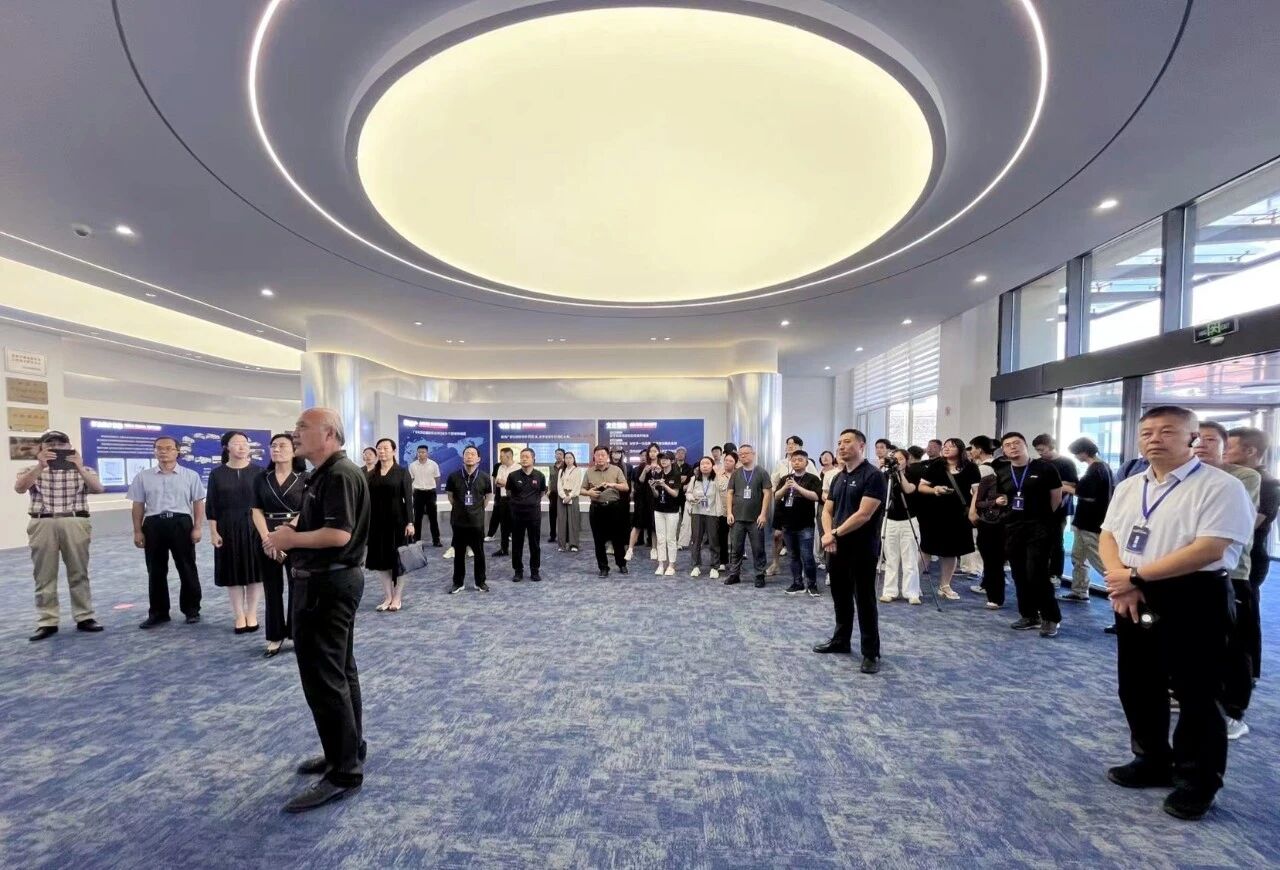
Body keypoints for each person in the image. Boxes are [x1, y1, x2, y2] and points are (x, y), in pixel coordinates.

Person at [1098, 405, 1254, 821]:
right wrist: (1122, 580)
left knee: (1196, 691)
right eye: (1147, 432)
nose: (1154, 439)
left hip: (1194, 594)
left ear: (1192, 438)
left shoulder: (1220, 486)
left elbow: (1210, 548)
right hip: (1133, 591)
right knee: (1137, 683)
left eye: (1167, 431)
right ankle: (1151, 759)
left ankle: (1198, 780)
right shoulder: (1130, 485)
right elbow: (1108, 535)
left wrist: (1136, 577)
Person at [265, 407, 369, 813]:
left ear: (328, 434)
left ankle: (344, 772)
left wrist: (290, 539)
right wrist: (293, 531)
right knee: (340, 671)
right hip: (329, 583)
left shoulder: (339, 473)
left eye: (302, 427)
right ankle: (348, 750)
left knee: (325, 678)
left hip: (327, 586)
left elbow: (338, 533)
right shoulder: (322, 474)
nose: (294, 433)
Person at [1196, 421, 1260, 741]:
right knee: (1197, 643)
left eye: (1210, 439)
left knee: (1235, 645)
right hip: (1189, 574)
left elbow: (1220, 523)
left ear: (1223, 446)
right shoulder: (1186, 477)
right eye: (1196, 439)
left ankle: (1235, 711)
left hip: (1231, 573)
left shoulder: (1242, 477)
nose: (1200, 444)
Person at [15, 429, 105, 641]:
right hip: (42, 521)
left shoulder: (84, 469)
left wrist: (79, 467)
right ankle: (47, 621)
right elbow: (19, 488)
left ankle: (84, 616)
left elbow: (98, 489)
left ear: (69, 446)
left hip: (74, 520)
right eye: (50, 445)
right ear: (42, 448)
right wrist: (40, 466)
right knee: (43, 574)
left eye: (61, 444)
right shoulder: (30, 469)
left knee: (79, 571)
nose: (56, 448)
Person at [814, 428, 885, 674]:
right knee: (840, 596)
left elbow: (864, 514)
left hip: (862, 548)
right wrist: (828, 534)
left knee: (864, 600)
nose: (842, 446)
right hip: (836, 547)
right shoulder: (838, 477)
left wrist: (834, 533)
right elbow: (827, 510)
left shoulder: (873, 476)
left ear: (861, 446)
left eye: (847, 442)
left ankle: (871, 652)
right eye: (839, 443)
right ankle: (841, 640)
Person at [129, 435, 205, 629]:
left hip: (181, 523)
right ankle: (159, 613)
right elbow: (138, 505)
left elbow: (198, 502)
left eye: (168, 448)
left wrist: (197, 527)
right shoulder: (143, 476)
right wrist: (137, 531)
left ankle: (191, 610)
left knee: (187, 567)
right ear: (154, 451)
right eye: (159, 448)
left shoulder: (190, 475)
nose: (163, 451)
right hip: (153, 524)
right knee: (155, 570)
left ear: (177, 451)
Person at [994, 432, 1063, 637]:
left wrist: (1044, 519)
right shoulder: (1003, 471)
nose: (1013, 447)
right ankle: (1029, 615)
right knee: (1019, 573)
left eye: (1017, 443)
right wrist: (1001, 503)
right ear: (1004, 451)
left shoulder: (1045, 468)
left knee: (1036, 572)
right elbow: (1004, 496)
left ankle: (1051, 617)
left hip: (1039, 527)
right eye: (1008, 445)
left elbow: (1056, 498)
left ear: (1025, 446)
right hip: (1013, 527)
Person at [1225, 426, 1277, 683]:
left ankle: (1246, 676)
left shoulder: (1267, 483)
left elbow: (1248, 523)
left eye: (1228, 447)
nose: (1223, 452)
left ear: (1250, 451)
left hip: (1250, 559)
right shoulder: (1228, 478)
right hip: (1229, 558)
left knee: (1243, 620)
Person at [251, 433, 306, 658]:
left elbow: (308, 509)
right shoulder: (261, 478)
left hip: (296, 533)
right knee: (271, 588)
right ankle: (275, 636)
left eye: (282, 445)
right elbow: (256, 509)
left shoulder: (305, 478)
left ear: (294, 451)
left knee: (298, 587)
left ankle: (297, 633)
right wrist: (268, 538)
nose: (276, 449)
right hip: (267, 534)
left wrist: (288, 531)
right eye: (273, 446)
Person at [207, 431, 263, 632]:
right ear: (226, 447)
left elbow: (264, 503)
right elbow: (212, 506)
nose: (242, 446)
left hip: (254, 527)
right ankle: (239, 615)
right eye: (236, 443)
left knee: (255, 572)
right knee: (233, 573)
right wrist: (213, 532)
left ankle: (252, 614)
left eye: (245, 443)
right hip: (227, 528)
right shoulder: (217, 474)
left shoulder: (259, 472)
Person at [916, 438, 980, 599]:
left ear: (960, 449)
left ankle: (945, 585)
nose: (946, 448)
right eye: (945, 446)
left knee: (951, 551)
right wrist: (935, 489)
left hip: (958, 514)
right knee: (926, 549)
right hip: (933, 514)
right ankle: (913, 585)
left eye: (951, 446)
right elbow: (921, 487)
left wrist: (973, 511)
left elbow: (977, 492)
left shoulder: (971, 467)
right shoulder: (936, 465)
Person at [1061, 437, 1113, 603]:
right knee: (1079, 558)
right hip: (1083, 521)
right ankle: (1079, 591)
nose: (1076, 457)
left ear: (1084, 452)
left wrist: (1065, 487)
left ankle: (1121, 587)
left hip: (1091, 522)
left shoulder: (1096, 469)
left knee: (1098, 559)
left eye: (1077, 453)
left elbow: (1088, 495)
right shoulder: (1102, 467)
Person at [364, 438, 413, 612]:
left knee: (398, 561)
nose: (382, 451)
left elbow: (408, 500)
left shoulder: (402, 472)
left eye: (385, 448)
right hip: (376, 523)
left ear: (393, 451)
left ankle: (397, 597)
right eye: (379, 448)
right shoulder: (372, 474)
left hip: (398, 522)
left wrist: (410, 522)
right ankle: (388, 597)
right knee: (381, 561)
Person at [1033, 434, 1079, 587]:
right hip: (1039, 508)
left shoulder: (1066, 463)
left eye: (1042, 450)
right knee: (1039, 541)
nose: (1040, 453)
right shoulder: (1038, 463)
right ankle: (1040, 572)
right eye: (1038, 450)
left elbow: (1072, 485)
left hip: (1060, 508)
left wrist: (1055, 485)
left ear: (1051, 446)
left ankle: (1055, 574)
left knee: (1056, 541)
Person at [774, 449, 823, 596]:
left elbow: (816, 496)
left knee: (807, 557)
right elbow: (776, 496)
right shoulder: (785, 479)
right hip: (788, 524)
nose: (796, 462)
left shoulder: (812, 479)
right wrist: (785, 487)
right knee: (793, 556)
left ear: (806, 463)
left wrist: (797, 487)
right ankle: (797, 583)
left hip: (805, 525)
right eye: (794, 460)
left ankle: (812, 584)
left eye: (800, 460)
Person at [444, 446, 492, 593]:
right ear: (463, 457)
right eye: (467, 454)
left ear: (478, 458)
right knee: (459, 554)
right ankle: (458, 583)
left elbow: (487, 497)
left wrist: (476, 510)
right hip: (458, 521)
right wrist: (461, 509)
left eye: (472, 454)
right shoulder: (453, 476)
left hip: (476, 522)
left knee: (479, 553)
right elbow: (450, 496)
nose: (469, 456)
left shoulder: (484, 477)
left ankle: (480, 582)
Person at [880, 448, 924, 605]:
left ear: (907, 460)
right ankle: (889, 591)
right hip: (890, 520)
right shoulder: (885, 475)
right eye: (894, 459)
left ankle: (911, 592)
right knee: (891, 558)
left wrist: (899, 473)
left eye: (900, 459)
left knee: (910, 558)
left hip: (909, 519)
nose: (897, 462)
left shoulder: (913, 474)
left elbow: (909, 489)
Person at [725, 444, 773, 587]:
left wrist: (763, 514)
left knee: (758, 549)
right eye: (741, 454)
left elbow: (767, 494)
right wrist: (729, 512)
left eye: (746, 453)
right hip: (737, 518)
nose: (743, 455)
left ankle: (759, 575)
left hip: (755, 518)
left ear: (753, 454)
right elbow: (730, 493)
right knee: (736, 548)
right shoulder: (736, 473)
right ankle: (734, 574)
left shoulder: (761, 472)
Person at [769, 435, 817, 576]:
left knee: (801, 538)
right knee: (777, 535)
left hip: (800, 504)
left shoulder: (808, 463)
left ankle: (802, 569)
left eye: (794, 444)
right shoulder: (781, 463)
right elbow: (773, 482)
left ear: (800, 447)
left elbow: (815, 484)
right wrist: (778, 492)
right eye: (788, 444)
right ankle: (775, 564)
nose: (790, 446)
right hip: (783, 503)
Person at [965, 435, 1005, 603]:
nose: (971, 452)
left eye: (973, 448)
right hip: (993, 514)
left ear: (979, 450)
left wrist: (973, 511)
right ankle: (989, 582)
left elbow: (977, 493)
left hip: (987, 514)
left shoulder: (983, 469)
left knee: (988, 552)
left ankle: (989, 584)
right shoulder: (995, 466)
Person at [583, 446, 630, 577]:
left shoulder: (616, 470)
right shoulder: (589, 472)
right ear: (594, 457)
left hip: (614, 508)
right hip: (596, 509)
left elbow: (626, 487)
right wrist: (589, 492)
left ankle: (621, 564)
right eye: (597, 455)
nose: (600, 457)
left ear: (607, 456)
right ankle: (603, 567)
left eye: (603, 455)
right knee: (598, 540)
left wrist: (612, 484)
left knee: (618, 538)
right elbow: (581, 489)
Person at [506, 447, 547, 582]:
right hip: (517, 515)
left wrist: (531, 502)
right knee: (517, 543)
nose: (524, 459)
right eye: (522, 456)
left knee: (534, 544)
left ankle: (535, 570)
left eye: (527, 457)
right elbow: (509, 492)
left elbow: (542, 492)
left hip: (533, 515)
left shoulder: (540, 475)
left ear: (533, 459)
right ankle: (518, 571)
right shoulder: (513, 476)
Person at [686, 456, 722, 579]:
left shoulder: (717, 478)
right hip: (697, 512)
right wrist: (691, 498)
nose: (705, 466)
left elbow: (723, 488)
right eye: (702, 464)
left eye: (707, 463)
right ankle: (696, 566)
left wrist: (718, 474)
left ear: (712, 466)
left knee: (713, 540)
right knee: (696, 540)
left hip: (712, 513)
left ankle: (715, 567)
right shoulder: (694, 479)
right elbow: (688, 493)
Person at [650, 451, 683, 575]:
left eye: (666, 459)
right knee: (660, 539)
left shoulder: (676, 474)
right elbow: (656, 495)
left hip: (672, 511)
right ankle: (661, 564)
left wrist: (664, 485)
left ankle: (671, 565)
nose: (663, 461)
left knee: (671, 539)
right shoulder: (658, 474)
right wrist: (653, 487)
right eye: (661, 459)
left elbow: (675, 494)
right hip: (659, 510)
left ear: (672, 461)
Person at [627, 443, 660, 562]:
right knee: (637, 524)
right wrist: (645, 471)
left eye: (655, 451)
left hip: (655, 499)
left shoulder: (662, 465)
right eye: (651, 451)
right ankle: (630, 549)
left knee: (654, 526)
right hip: (642, 499)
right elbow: (639, 481)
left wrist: (659, 471)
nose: (652, 453)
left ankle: (654, 549)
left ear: (658, 452)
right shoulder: (642, 465)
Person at [408, 445, 441, 547]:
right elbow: (411, 479)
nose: (421, 454)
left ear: (427, 453)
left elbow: (437, 478)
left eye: (423, 452)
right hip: (418, 493)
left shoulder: (433, 464)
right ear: (417, 453)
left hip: (430, 493)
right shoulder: (412, 465)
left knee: (433, 518)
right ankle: (416, 540)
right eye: (419, 452)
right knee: (417, 518)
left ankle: (436, 540)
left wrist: (430, 487)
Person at [487, 447, 516, 555]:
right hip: (503, 499)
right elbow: (497, 482)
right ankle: (504, 549)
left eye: (501, 456)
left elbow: (517, 485)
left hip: (515, 500)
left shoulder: (518, 468)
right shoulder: (500, 467)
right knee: (504, 526)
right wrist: (509, 483)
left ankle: (517, 550)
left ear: (508, 456)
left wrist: (506, 483)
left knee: (516, 525)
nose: (500, 458)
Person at [555, 451, 584, 552]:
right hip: (562, 496)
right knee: (561, 521)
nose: (568, 460)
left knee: (573, 520)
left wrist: (570, 496)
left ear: (574, 459)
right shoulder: (561, 471)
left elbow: (577, 485)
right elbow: (559, 485)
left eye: (570, 458)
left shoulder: (578, 470)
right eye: (566, 458)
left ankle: (573, 544)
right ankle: (562, 545)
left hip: (573, 496)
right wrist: (563, 496)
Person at [716, 451, 737, 571]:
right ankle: (722, 562)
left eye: (730, 461)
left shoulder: (739, 475)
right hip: (722, 511)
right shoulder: (718, 475)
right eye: (726, 460)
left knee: (736, 538)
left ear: (735, 463)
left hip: (736, 511)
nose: (727, 463)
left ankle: (735, 562)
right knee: (722, 538)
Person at [674, 446, 695, 550]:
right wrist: (680, 480)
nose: (680, 454)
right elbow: (671, 480)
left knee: (685, 518)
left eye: (682, 453)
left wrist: (680, 481)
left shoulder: (689, 467)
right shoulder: (672, 466)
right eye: (679, 452)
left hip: (684, 496)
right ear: (675, 455)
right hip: (673, 495)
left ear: (685, 455)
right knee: (673, 518)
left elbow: (690, 480)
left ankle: (682, 541)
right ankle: (673, 539)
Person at [548, 448, 565, 546]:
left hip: (563, 494)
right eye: (557, 454)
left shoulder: (566, 466)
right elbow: (550, 479)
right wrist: (549, 490)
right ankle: (552, 535)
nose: (558, 456)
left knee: (562, 516)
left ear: (563, 456)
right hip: (553, 494)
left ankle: (563, 536)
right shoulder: (551, 466)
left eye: (560, 454)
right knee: (552, 516)